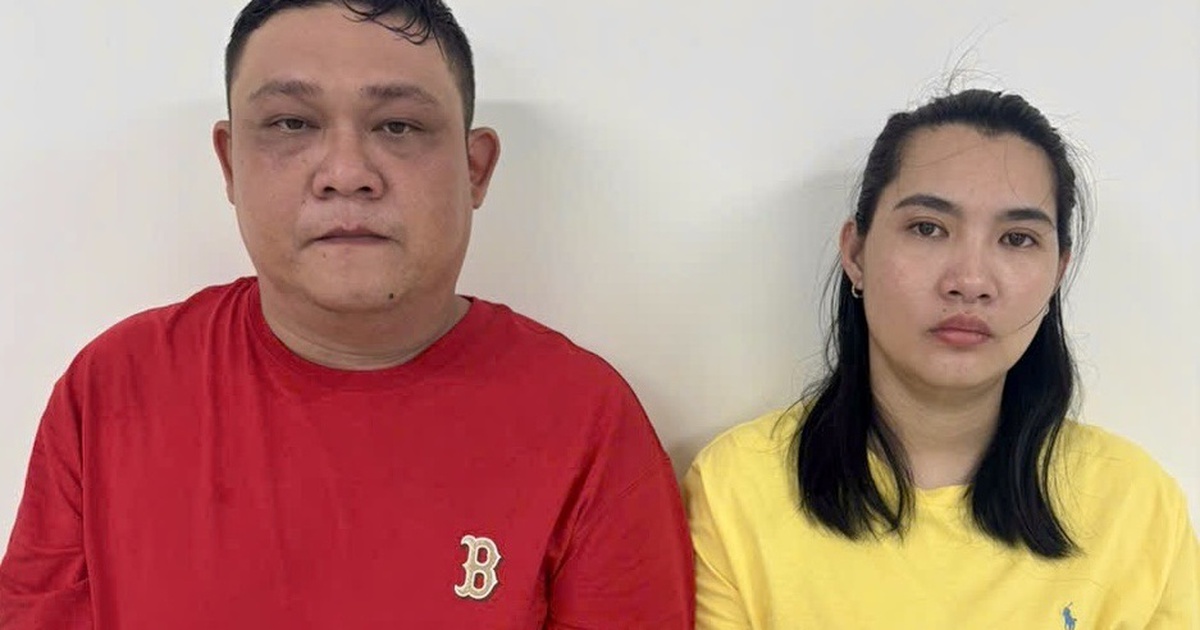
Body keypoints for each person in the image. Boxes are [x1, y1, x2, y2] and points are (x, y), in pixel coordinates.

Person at [0, 1, 693, 628]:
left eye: (398, 125)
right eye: (291, 123)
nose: (345, 173)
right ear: (231, 163)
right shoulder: (113, 390)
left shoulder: (586, 422)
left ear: (475, 168)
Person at [684, 89, 1199, 628]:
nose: (970, 281)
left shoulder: (1137, 508)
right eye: (928, 228)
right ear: (856, 254)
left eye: (1017, 238)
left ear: (1057, 274)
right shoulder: (736, 491)